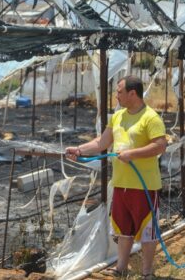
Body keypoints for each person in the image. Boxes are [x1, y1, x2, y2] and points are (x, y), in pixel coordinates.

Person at [65, 76, 167, 278]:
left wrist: (132, 154)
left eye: (119, 91)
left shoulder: (150, 117)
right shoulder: (117, 116)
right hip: (121, 185)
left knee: (148, 231)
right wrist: (78, 149)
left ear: (132, 93)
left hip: (144, 186)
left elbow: (160, 145)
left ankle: (147, 273)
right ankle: (120, 268)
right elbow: (101, 143)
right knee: (123, 229)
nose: (116, 95)